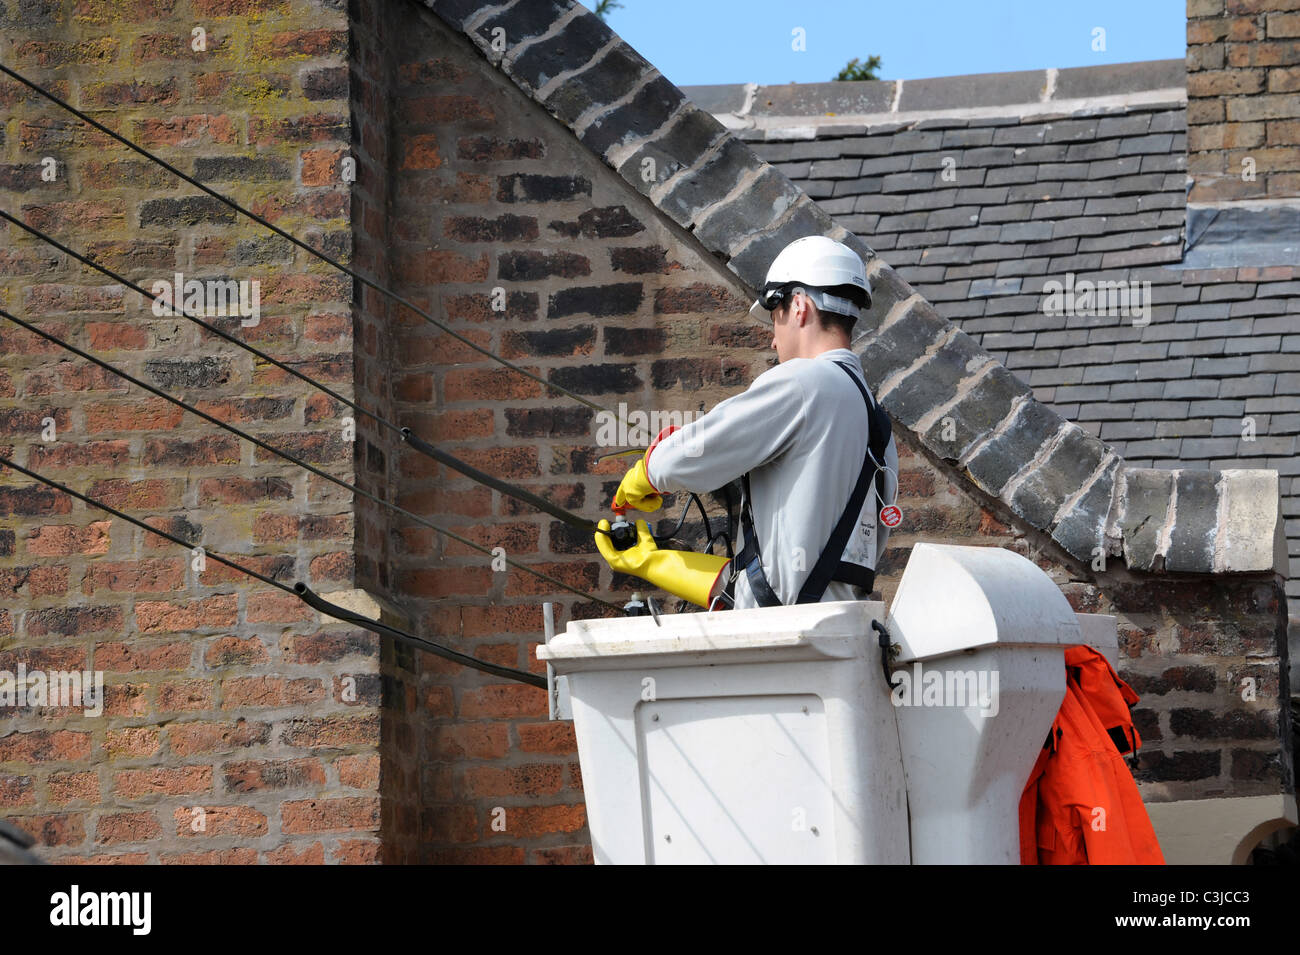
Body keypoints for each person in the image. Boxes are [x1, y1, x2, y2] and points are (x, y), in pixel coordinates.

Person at [594, 235, 899, 611]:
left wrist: (646, 472)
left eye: (775, 319)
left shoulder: (804, 382)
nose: (773, 342)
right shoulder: (878, 423)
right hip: (845, 632)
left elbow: (685, 457)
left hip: (784, 645)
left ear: (800, 307)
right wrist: (654, 562)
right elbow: (791, 575)